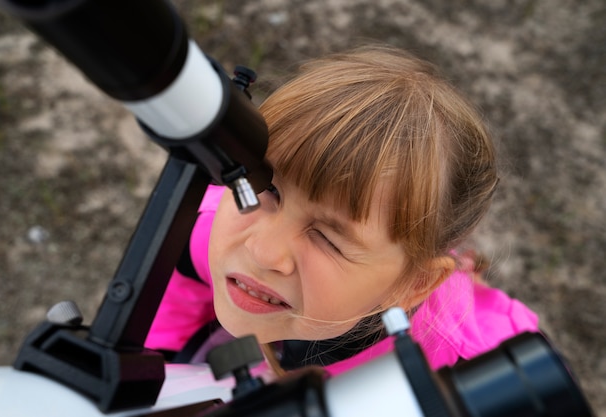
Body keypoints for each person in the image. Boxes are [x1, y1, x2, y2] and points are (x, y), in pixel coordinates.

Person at [144, 45, 539, 376]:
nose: (263, 251)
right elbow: (177, 289)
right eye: (265, 190)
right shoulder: (209, 225)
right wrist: (161, 365)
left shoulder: (473, 366)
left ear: (413, 284)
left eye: (328, 238)